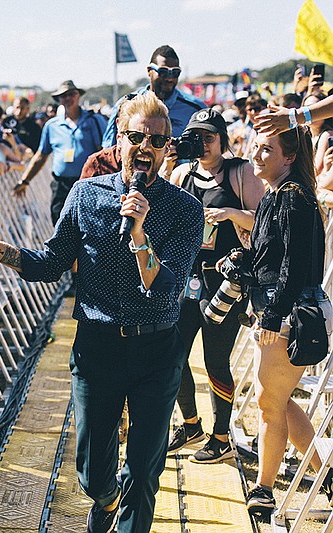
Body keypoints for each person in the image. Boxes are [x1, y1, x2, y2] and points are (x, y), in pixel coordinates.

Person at [0, 92, 204, 533]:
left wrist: (139, 231)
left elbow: (167, 288)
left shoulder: (184, 209)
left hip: (156, 348)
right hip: (97, 348)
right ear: (118, 140)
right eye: (136, 137)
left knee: (143, 474)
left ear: (167, 146)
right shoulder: (85, 195)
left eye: (156, 141)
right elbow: (48, 261)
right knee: (94, 476)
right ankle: (105, 498)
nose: (145, 148)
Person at [242, 126, 333, 515]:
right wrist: (239, 264)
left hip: (291, 314)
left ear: (290, 157)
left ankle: (264, 490)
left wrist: (273, 314)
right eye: (256, 148)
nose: (257, 155)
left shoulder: (293, 200)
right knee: (275, 400)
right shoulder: (275, 195)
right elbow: (267, 258)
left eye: (267, 149)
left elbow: (293, 269)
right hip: (281, 310)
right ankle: (325, 473)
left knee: (269, 405)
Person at [166, 109, 265, 463]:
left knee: (215, 361)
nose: (203, 144)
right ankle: (191, 424)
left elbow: (264, 222)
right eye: (196, 137)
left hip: (226, 283)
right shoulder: (183, 173)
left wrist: (230, 215)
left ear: (222, 139)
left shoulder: (241, 173)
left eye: (209, 137)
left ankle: (220, 438)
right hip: (187, 280)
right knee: (171, 354)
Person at [13, 80, 107, 225]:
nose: (67, 98)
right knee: (59, 225)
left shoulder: (94, 121)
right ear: (58, 100)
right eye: (63, 96)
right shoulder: (52, 126)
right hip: (61, 185)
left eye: (71, 94)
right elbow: (41, 156)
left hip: (88, 183)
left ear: (78, 96)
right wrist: (24, 181)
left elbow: (106, 153)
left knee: (87, 226)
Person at [102, 45, 206, 149]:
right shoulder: (126, 105)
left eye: (175, 73)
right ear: (149, 70)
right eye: (163, 72)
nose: (170, 78)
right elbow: (109, 152)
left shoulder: (196, 109)